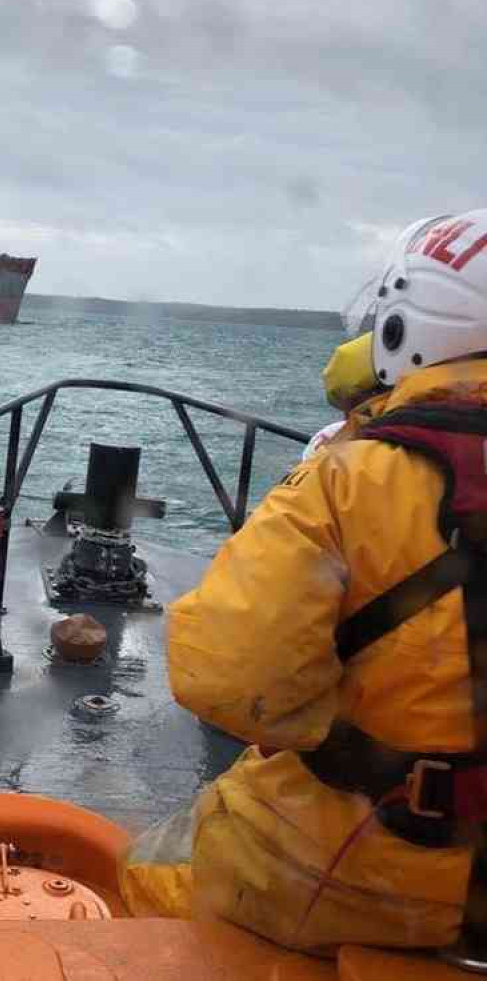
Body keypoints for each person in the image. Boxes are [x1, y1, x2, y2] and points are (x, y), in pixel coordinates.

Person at [121, 210, 487, 955]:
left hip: (387, 872)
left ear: (403, 325)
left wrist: (331, 740)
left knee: (154, 869)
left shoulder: (349, 479)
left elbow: (226, 672)